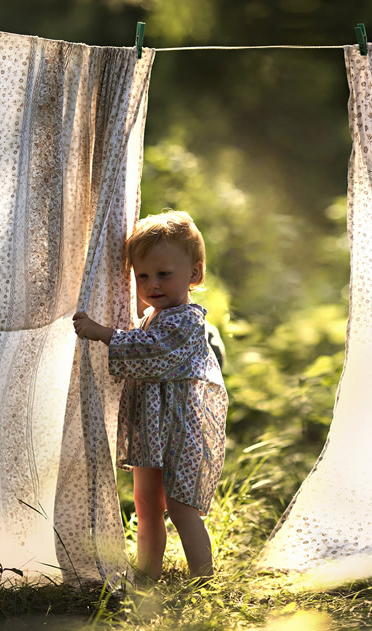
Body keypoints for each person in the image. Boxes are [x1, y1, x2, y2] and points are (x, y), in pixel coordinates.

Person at [72, 210, 228, 582]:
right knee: (146, 505)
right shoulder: (150, 316)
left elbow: (151, 350)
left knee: (180, 508)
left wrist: (101, 332)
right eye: (142, 275)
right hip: (148, 431)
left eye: (163, 274)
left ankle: (204, 578)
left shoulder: (188, 320)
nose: (151, 284)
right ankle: (148, 573)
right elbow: (144, 342)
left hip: (177, 431)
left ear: (194, 274)